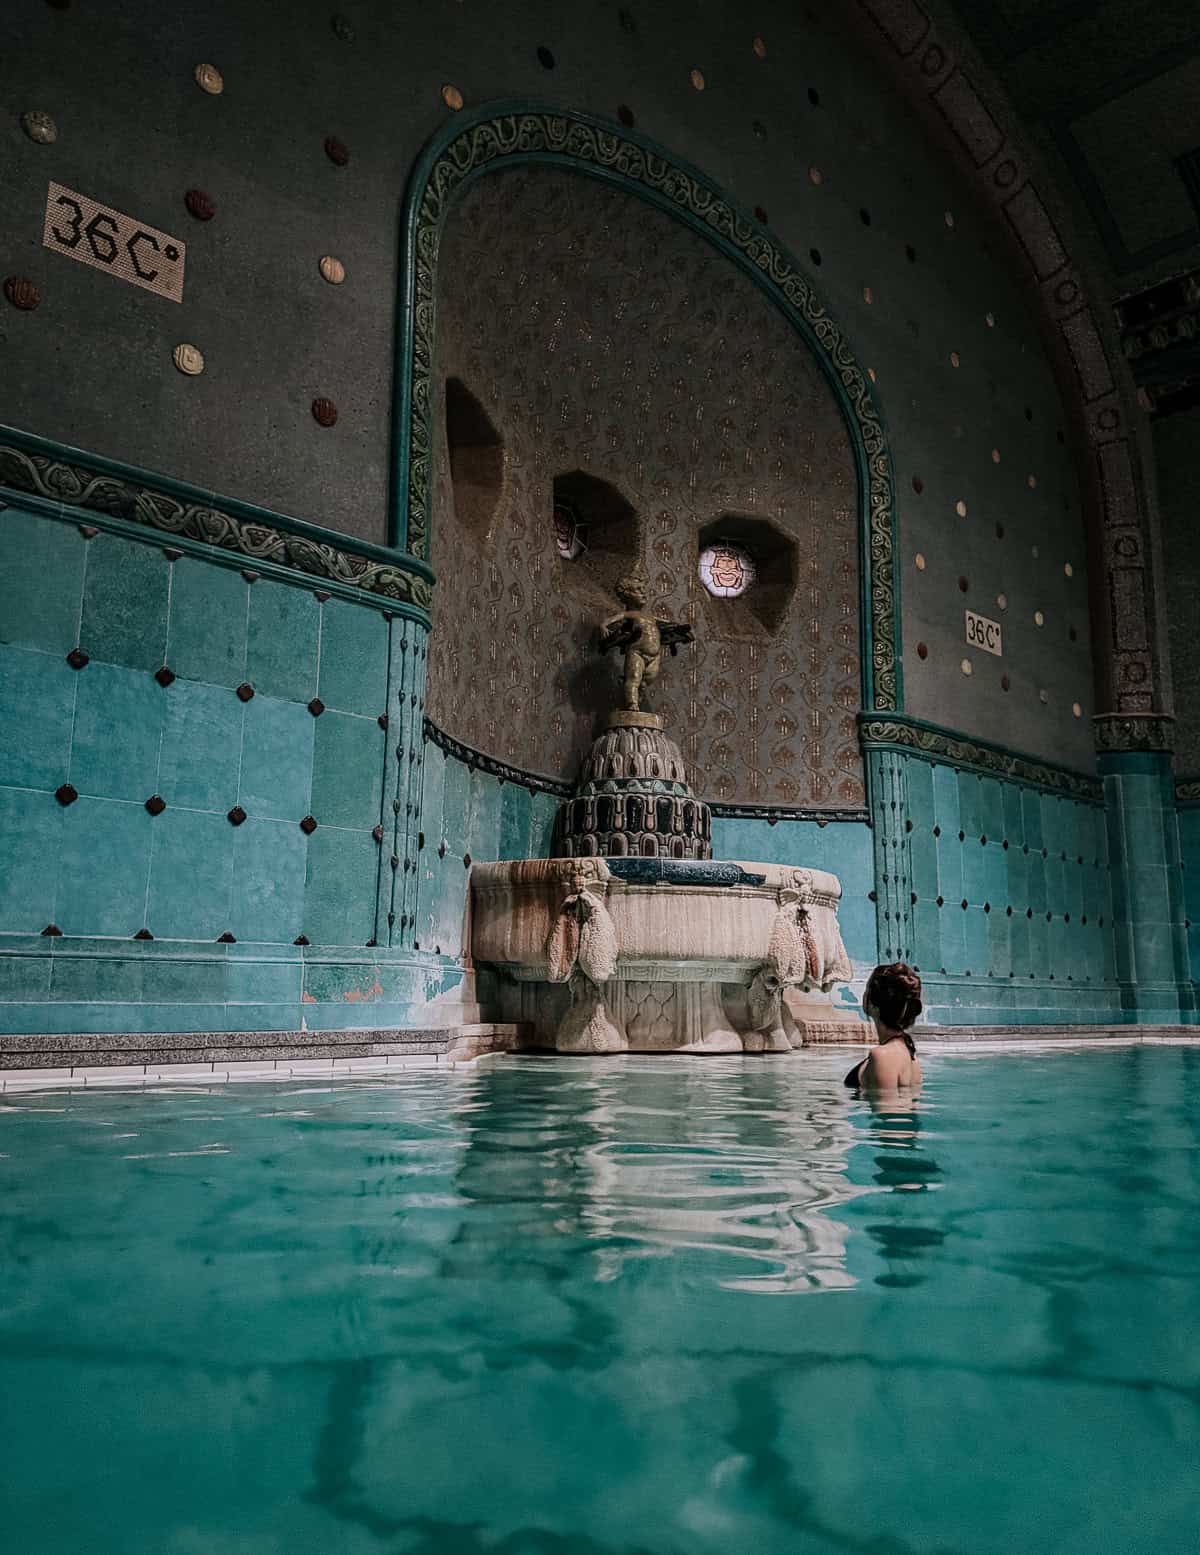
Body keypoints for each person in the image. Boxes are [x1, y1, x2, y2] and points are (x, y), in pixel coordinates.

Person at [843, 963, 923, 1090]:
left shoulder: (883, 1056)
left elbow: (889, 1109)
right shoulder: (910, 1055)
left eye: (867, 990)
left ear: (874, 1006)